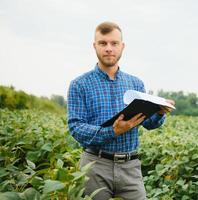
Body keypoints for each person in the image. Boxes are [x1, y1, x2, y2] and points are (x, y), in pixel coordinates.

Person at [67, 21, 175, 200]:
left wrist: (159, 113)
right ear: (95, 46)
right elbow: (76, 128)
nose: (109, 48)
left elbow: (148, 123)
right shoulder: (79, 85)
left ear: (122, 47)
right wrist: (113, 131)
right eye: (103, 43)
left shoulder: (136, 83)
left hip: (130, 167)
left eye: (114, 43)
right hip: (94, 166)